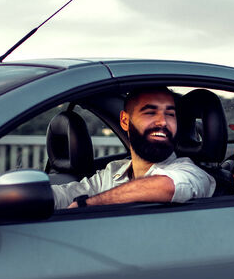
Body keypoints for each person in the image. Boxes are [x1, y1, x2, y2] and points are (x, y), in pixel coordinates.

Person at [52, 88, 215, 209]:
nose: (163, 122)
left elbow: (169, 186)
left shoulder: (192, 172)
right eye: (150, 112)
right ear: (124, 120)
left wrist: (88, 204)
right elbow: (65, 195)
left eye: (170, 114)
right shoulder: (113, 172)